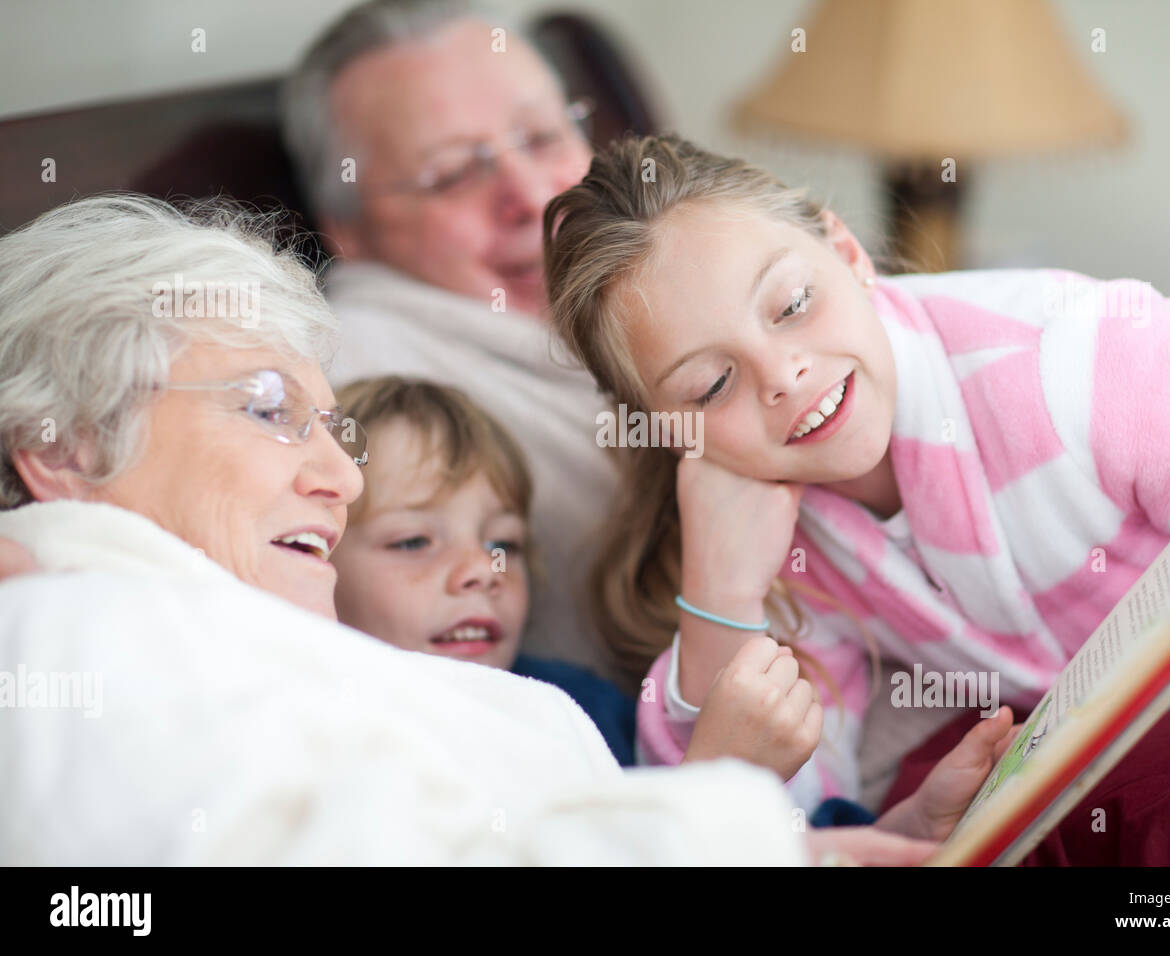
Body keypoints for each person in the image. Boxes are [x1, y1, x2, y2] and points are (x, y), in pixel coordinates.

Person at [0, 193, 986, 865]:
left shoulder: (259, 648)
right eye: (265, 409)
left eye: (329, 426)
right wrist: (726, 817)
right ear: (65, 445)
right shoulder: (62, 638)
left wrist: (806, 848)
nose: (342, 477)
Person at [540, 134, 1170, 862]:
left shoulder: (1070, 353)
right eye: (712, 385)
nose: (781, 374)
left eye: (794, 305)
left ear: (846, 253)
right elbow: (761, 817)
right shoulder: (765, 533)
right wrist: (720, 596)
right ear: (667, 430)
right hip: (1111, 745)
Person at [281, 0, 616, 677]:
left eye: (544, 137)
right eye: (453, 175)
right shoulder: (346, 379)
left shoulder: (674, 268)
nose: (531, 196)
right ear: (350, 231)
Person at [328, 375, 637, 765]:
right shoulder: (305, 721)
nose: (483, 568)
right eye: (413, 541)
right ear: (315, 562)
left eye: (503, 544)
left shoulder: (587, 712)